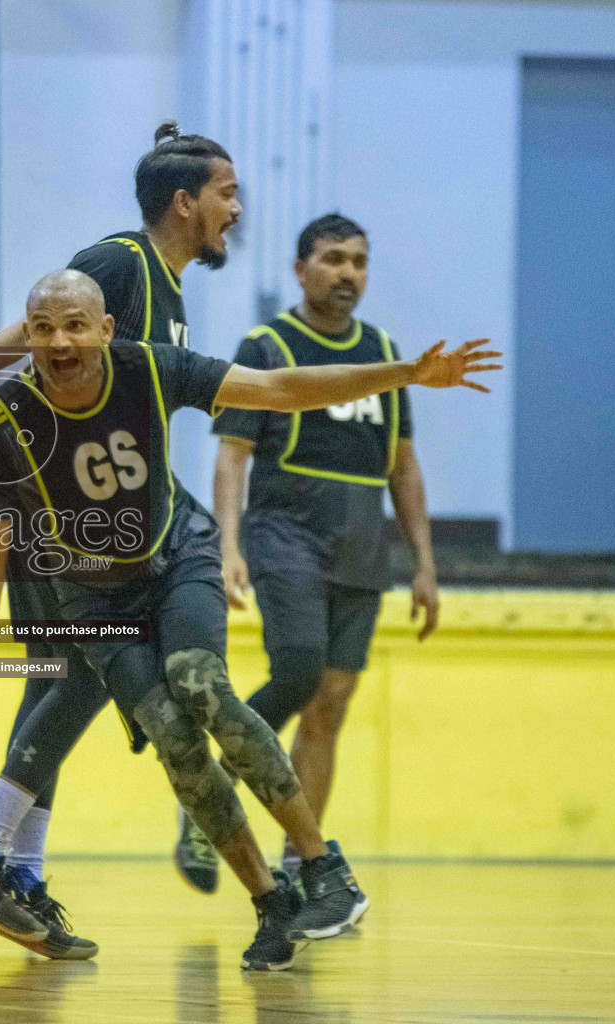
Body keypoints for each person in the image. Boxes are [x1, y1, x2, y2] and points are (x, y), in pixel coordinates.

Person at [0, 270, 498, 969]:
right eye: (42, 328)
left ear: (106, 330)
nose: (58, 341)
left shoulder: (151, 369)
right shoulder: (1, 423)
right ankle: (270, 901)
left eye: (75, 324)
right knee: (173, 735)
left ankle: (323, 867)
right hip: (94, 597)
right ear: (28, 337)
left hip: (178, 555)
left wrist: (404, 373)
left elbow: (283, 389)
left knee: (200, 685)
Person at [0, 123, 241, 953]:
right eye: (227, 194)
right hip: (50, 513)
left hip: (97, 516)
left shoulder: (167, 288)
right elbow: (14, 339)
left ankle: (17, 868)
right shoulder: (118, 263)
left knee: (64, 679)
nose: (236, 210)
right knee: (87, 670)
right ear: (187, 202)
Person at [177, 214, 440, 894]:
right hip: (285, 533)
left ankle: (303, 862)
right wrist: (228, 546)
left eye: (358, 260)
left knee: (331, 703)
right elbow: (231, 457)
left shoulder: (384, 353)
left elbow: (403, 468)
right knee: (296, 673)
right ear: (301, 270)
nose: (347, 272)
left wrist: (425, 565)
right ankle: (206, 797)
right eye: (332, 259)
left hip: (361, 545)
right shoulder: (267, 347)